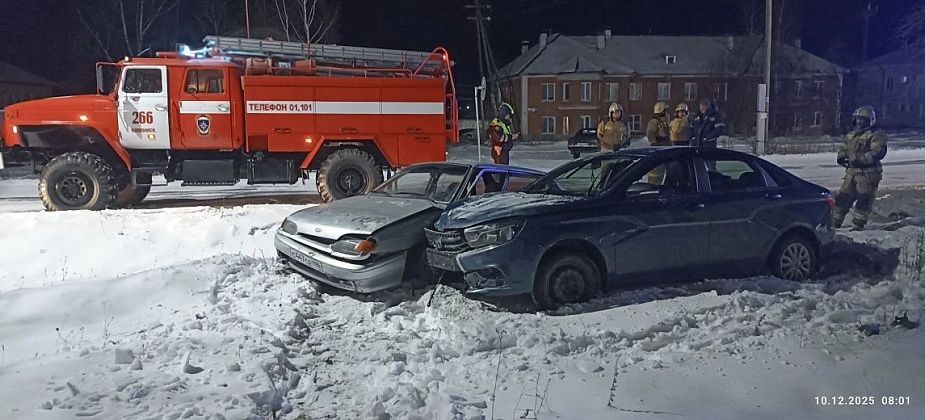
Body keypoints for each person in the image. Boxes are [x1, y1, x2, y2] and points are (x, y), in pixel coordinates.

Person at [833, 106, 888, 231]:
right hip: (852, 172)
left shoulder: (876, 134)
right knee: (843, 197)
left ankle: (858, 224)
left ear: (870, 120)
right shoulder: (851, 135)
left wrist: (860, 160)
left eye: (863, 120)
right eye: (857, 119)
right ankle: (835, 222)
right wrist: (842, 158)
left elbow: (878, 151)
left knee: (864, 199)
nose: (859, 122)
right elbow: (843, 148)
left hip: (868, 174)